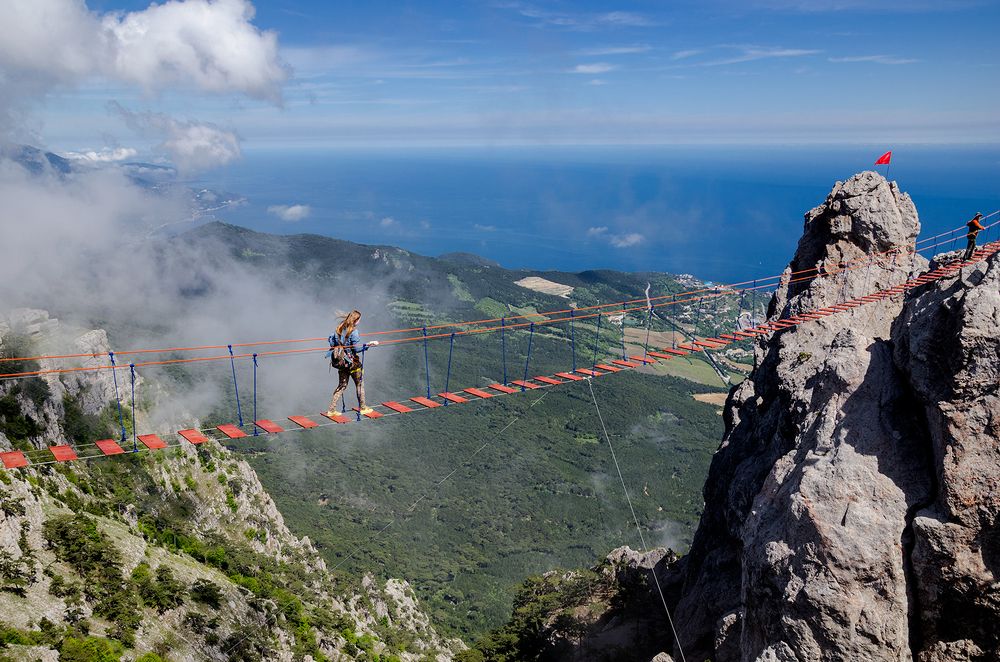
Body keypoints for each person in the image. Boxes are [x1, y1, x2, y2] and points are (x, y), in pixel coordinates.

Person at [327, 310, 378, 416]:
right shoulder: (354, 332)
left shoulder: (339, 328)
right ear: (356, 320)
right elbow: (356, 349)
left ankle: (331, 410)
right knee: (359, 384)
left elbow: (331, 342)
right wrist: (369, 344)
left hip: (341, 363)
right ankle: (363, 407)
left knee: (342, 385)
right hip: (352, 363)